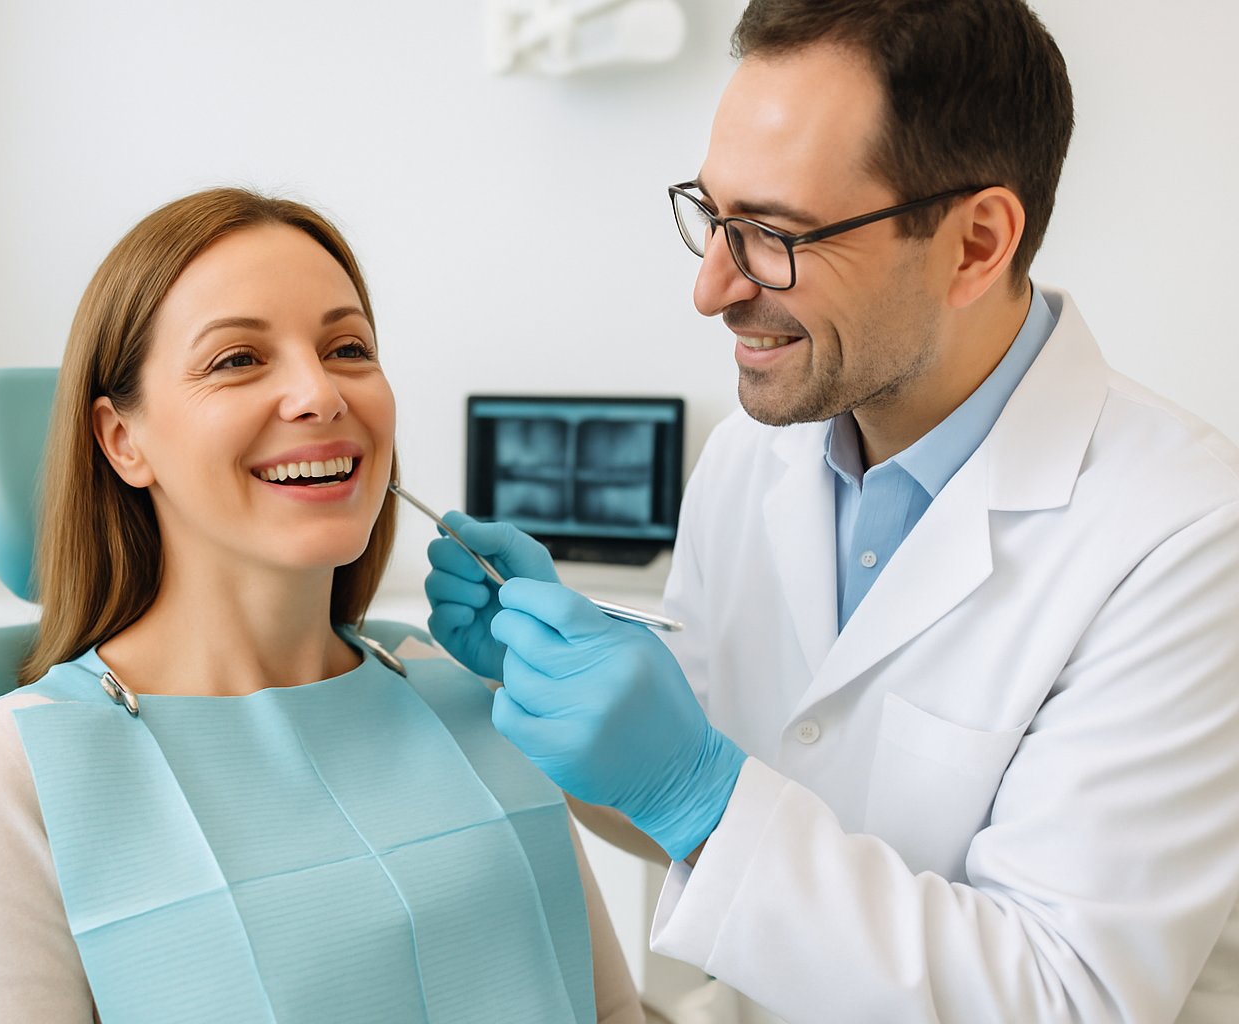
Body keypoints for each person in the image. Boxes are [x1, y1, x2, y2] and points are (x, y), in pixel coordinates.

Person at [423, 2, 1239, 1021]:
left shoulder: (1185, 532)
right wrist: (575, 715)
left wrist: (697, 789)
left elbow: (1067, 998)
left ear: (976, 243)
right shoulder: (751, 457)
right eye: (713, 216)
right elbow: (703, 828)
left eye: (772, 235)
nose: (712, 286)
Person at [0, 187, 643, 1023]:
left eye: (348, 347)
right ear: (122, 440)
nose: (320, 394)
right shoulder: (11, 771)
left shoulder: (463, 689)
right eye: (238, 359)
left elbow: (611, 1011)